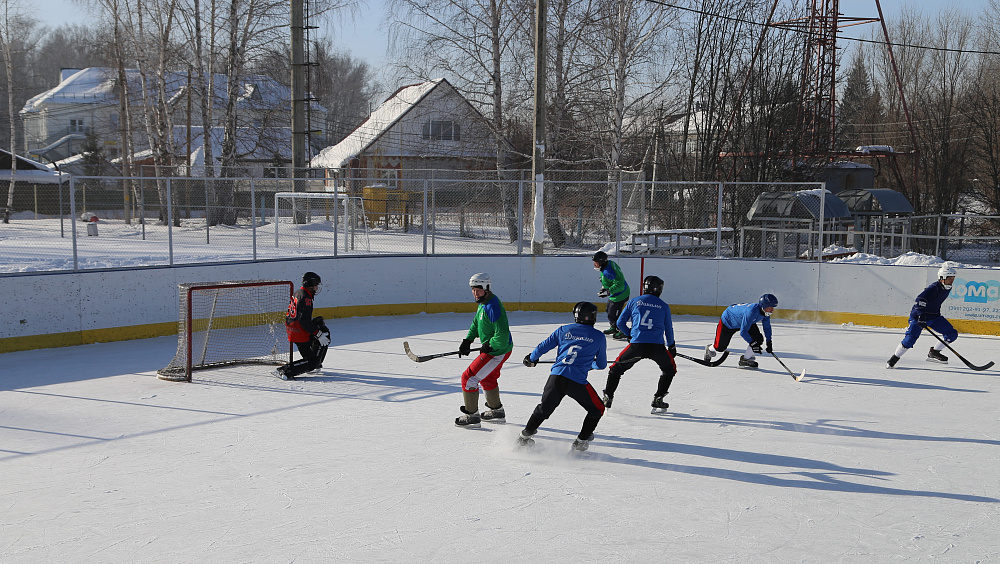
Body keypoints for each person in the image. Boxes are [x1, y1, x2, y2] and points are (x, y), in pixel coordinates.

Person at [520, 301, 608, 452]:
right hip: (577, 382)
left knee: (543, 410)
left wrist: (532, 358)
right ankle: (581, 441)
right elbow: (601, 365)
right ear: (592, 317)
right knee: (597, 409)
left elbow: (543, 346)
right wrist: (590, 365)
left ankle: (524, 438)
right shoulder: (599, 336)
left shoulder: (563, 330)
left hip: (556, 378)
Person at [601, 275, 677, 412]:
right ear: (659, 289)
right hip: (657, 347)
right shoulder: (664, 306)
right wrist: (671, 346)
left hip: (637, 346)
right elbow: (668, 329)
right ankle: (658, 398)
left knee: (615, 369)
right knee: (669, 370)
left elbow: (620, 323)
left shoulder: (634, 302)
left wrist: (630, 334)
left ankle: (608, 396)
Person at [455, 273, 514, 428]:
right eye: (473, 290)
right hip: (497, 348)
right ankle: (497, 412)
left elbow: (502, 334)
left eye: (478, 290)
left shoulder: (493, 306)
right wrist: (468, 340)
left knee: (468, 378)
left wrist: (489, 345)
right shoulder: (483, 303)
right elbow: (477, 323)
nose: (475, 293)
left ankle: (471, 415)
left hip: (497, 350)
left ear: (487, 288)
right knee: (487, 378)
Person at [886, 264, 959, 368]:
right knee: (910, 339)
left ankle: (934, 352)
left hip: (934, 317)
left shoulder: (947, 288)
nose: (952, 281)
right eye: (950, 279)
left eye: (953, 279)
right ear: (942, 278)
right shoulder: (934, 288)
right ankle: (894, 358)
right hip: (918, 317)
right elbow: (920, 300)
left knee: (951, 334)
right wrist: (921, 316)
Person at [274, 271, 330, 380]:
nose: (317, 288)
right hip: (298, 331)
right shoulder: (306, 298)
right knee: (313, 359)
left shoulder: (300, 292)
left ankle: (314, 362)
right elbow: (304, 321)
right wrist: (318, 334)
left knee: (323, 329)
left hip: (294, 328)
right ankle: (285, 370)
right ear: (310, 284)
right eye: (316, 285)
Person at [703, 294, 778, 369]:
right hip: (728, 322)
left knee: (758, 339)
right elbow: (743, 332)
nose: (772, 310)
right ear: (763, 306)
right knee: (720, 348)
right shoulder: (751, 312)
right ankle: (709, 349)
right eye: (770, 307)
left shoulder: (765, 313)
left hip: (744, 322)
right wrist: (752, 343)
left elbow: (767, 327)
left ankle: (745, 359)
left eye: (773, 307)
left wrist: (769, 342)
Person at [592, 251, 630, 341]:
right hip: (615, 294)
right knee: (608, 310)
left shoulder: (607, 271)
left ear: (601, 262)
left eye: (596, 263)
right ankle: (614, 327)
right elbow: (611, 279)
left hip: (620, 294)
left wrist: (608, 291)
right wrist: (604, 287)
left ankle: (623, 331)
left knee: (613, 314)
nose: (594, 265)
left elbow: (619, 284)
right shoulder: (607, 264)